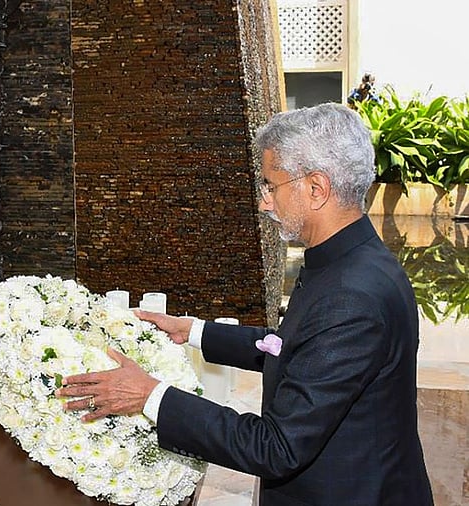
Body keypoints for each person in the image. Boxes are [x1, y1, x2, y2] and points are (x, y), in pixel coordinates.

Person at [57, 103, 433, 505]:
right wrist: (193, 331)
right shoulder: (354, 258)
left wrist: (150, 395)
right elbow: (295, 347)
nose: (264, 202)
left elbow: (276, 447)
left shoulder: (351, 296)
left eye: (271, 185)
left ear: (316, 188)